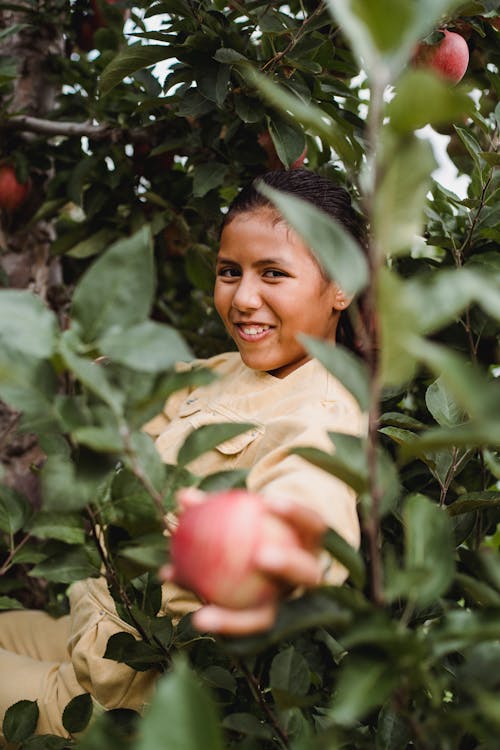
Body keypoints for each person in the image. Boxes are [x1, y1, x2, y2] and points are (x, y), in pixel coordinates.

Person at [0, 168, 367, 739]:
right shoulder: (235, 370)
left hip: (116, 688)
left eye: (273, 273)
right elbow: (148, 382)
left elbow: (311, 497)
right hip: (90, 625)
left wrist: (284, 550)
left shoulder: (324, 411)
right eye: (229, 272)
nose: (244, 299)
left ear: (341, 285)